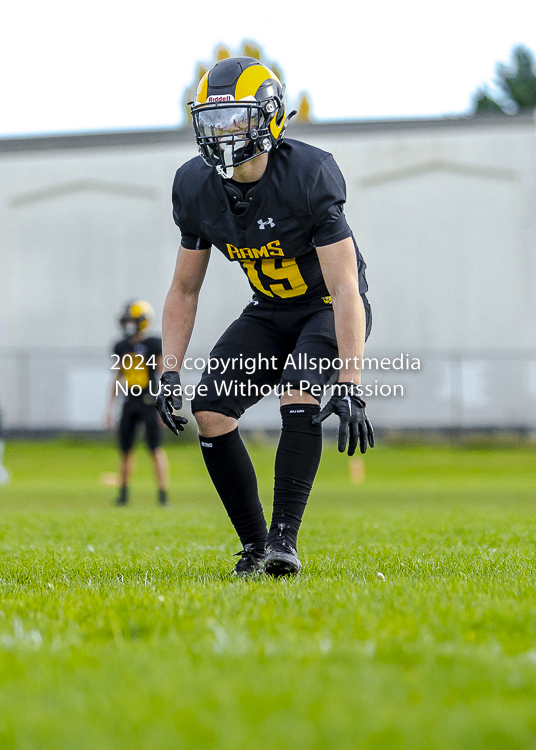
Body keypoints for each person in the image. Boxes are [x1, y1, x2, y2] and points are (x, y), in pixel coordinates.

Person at [155, 56, 374, 576]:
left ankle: (285, 540)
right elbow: (185, 287)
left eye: (237, 119)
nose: (225, 134)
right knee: (210, 407)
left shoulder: (308, 174)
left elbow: (345, 289)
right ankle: (256, 549)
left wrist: (351, 381)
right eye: (213, 120)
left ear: (271, 118)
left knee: (299, 390)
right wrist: (168, 368)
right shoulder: (194, 186)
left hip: (324, 307)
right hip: (271, 308)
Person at [106, 300, 169, 506]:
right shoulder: (121, 346)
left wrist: (165, 405)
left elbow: (163, 374)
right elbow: (117, 376)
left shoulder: (153, 344)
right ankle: (123, 495)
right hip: (130, 401)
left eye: (132, 320)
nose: (128, 324)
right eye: (126, 320)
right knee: (125, 450)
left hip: (150, 401)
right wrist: (109, 408)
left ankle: (162, 495)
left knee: (155, 448)